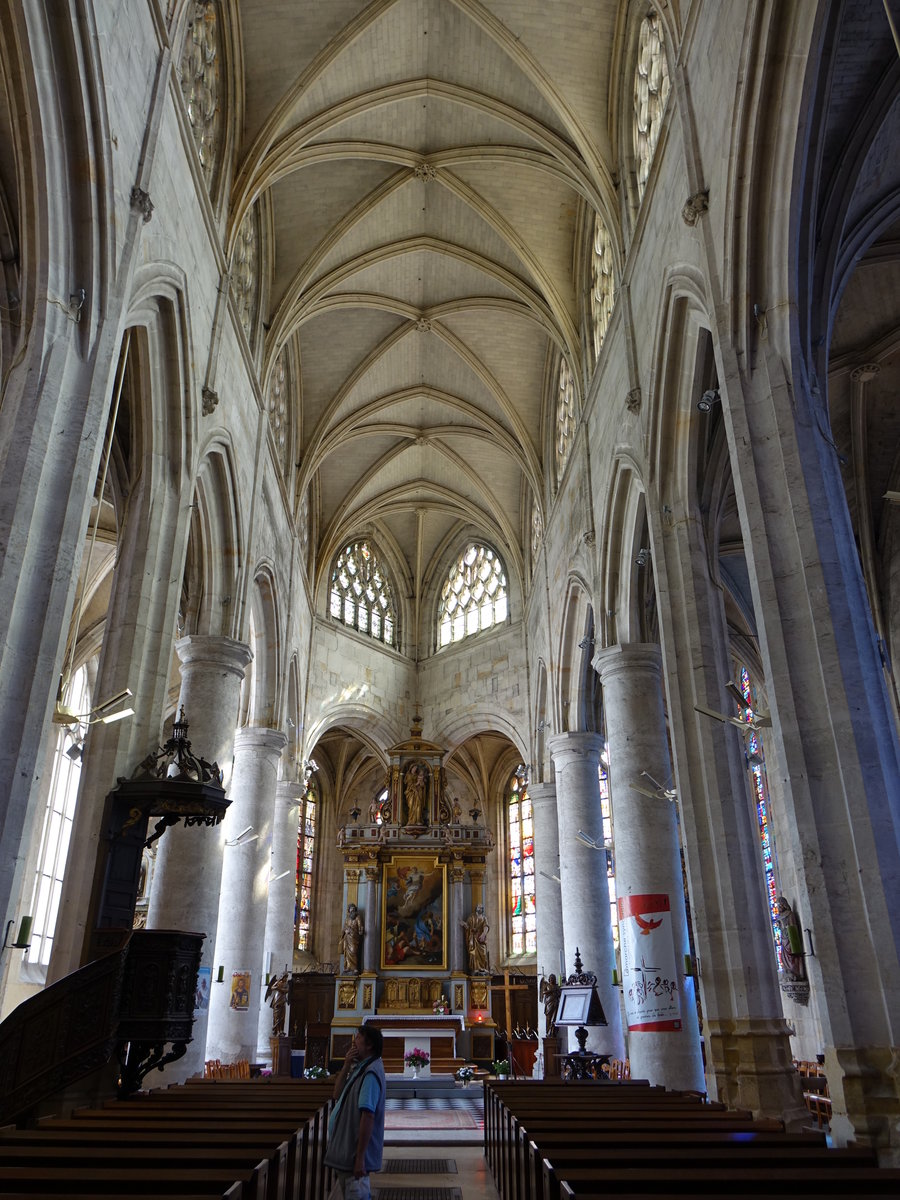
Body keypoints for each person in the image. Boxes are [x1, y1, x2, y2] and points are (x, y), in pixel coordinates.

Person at [324, 1025, 386, 1200]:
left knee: (356, 1194)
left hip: (352, 1155)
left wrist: (360, 1158)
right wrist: (345, 1066)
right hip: (346, 1150)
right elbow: (336, 1094)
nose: (354, 1041)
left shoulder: (371, 1073)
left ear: (369, 1045)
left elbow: (368, 1115)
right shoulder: (360, 1067)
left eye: (358, 1038)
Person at [461, 903, 490, 973]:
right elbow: (468, 927)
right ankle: (475, 968)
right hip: (473, 939)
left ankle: (483, 967)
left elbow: (486, 926)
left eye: (482, 908)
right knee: (473, 953)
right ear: (476, 908)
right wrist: (466, 926)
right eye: (479, 908)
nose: (481, 909)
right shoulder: (471, 917)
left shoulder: (484, 918)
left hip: (481, 939)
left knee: (483, 954)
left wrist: (483, 934)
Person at [340, 903, 365, 974]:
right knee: (347, 953)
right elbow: (344, 927)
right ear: (349, 910)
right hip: (347, 938)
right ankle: (348, 967)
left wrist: (361, 930)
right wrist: (345, 930)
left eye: (353, 909)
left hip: (354, 938)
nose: (352, 911)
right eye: (351, 909)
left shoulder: (358, 917)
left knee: (353, 951)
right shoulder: (347, 918)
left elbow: (360, 926)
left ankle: (354, 968)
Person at [265, 970, 290, 1036]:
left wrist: (280, 989)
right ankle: (277, 1031)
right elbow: (272, 987)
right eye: (285, 977)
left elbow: (287, 990)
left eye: (286, 977)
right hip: (277, 1000)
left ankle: (281, 1030)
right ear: (282, 977)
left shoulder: (286, 983)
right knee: (277, 1017)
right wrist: (277, 987)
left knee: (282, 1017)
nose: (286, 978)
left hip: (283, 1000)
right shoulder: (278, 982)